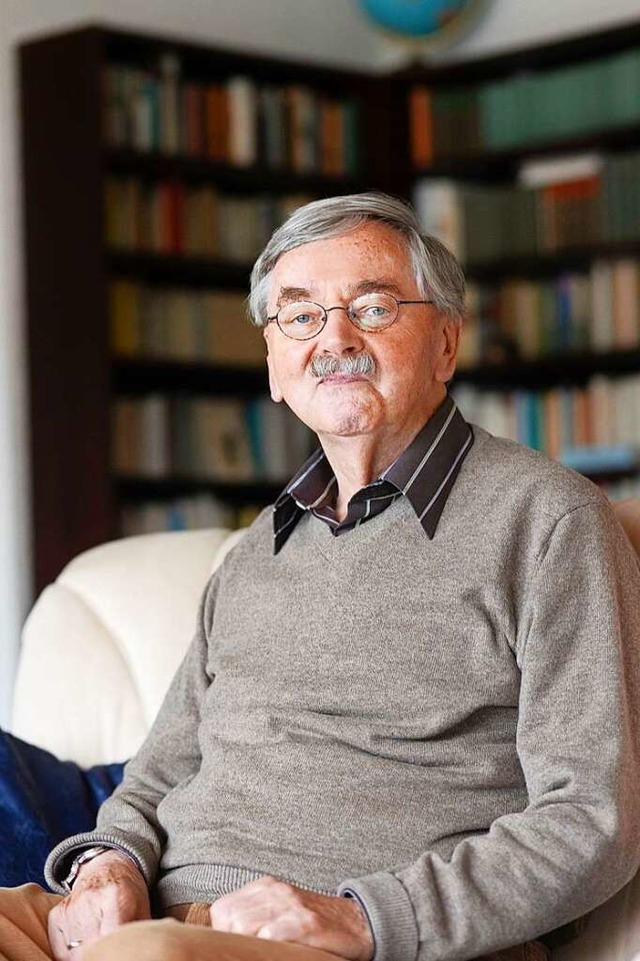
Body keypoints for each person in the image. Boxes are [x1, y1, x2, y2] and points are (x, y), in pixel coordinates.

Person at [1, 192, 640, 961]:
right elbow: (156, 773)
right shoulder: (254, 555)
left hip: (352, 938)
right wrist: (110, 865)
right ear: (275, 365)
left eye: (371, 308)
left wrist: (365, 918)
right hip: (161, 919)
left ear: (445, 342)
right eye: (299, 316)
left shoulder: (548, 521)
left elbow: (593, 819)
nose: (334, 339)